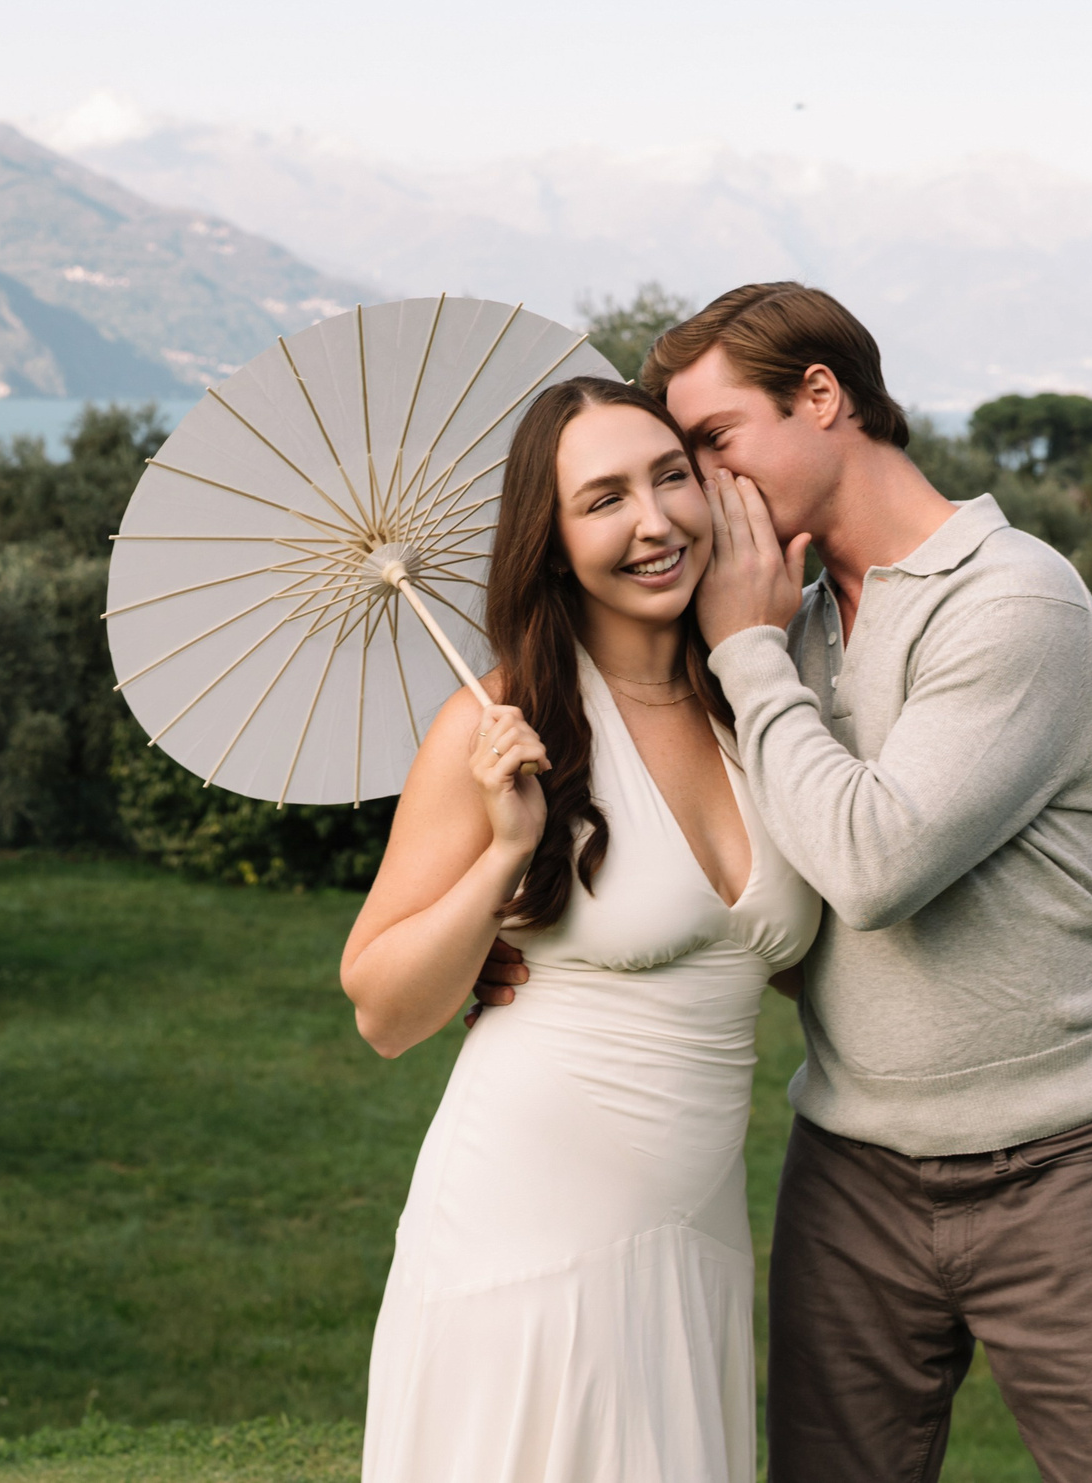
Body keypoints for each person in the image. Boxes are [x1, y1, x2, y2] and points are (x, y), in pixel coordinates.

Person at [472, 282, 1092, 1482]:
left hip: (1060, 1171)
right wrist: (553, 955)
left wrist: (744, 649)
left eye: (711, 446)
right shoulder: (795, 623)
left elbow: (871, 869)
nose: (698, 494)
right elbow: (774, 893)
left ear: (822, 398)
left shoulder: (1009, 600)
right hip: (851, 1171)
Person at [342, 376, 820, 1483]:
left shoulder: (756, 698)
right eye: (603, 499)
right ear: (550, 543)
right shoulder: (495, 722)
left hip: (694, 1234)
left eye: (670, 478)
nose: (653, 521)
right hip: (527, 1237)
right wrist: (505, 854)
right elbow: (380, 1009)